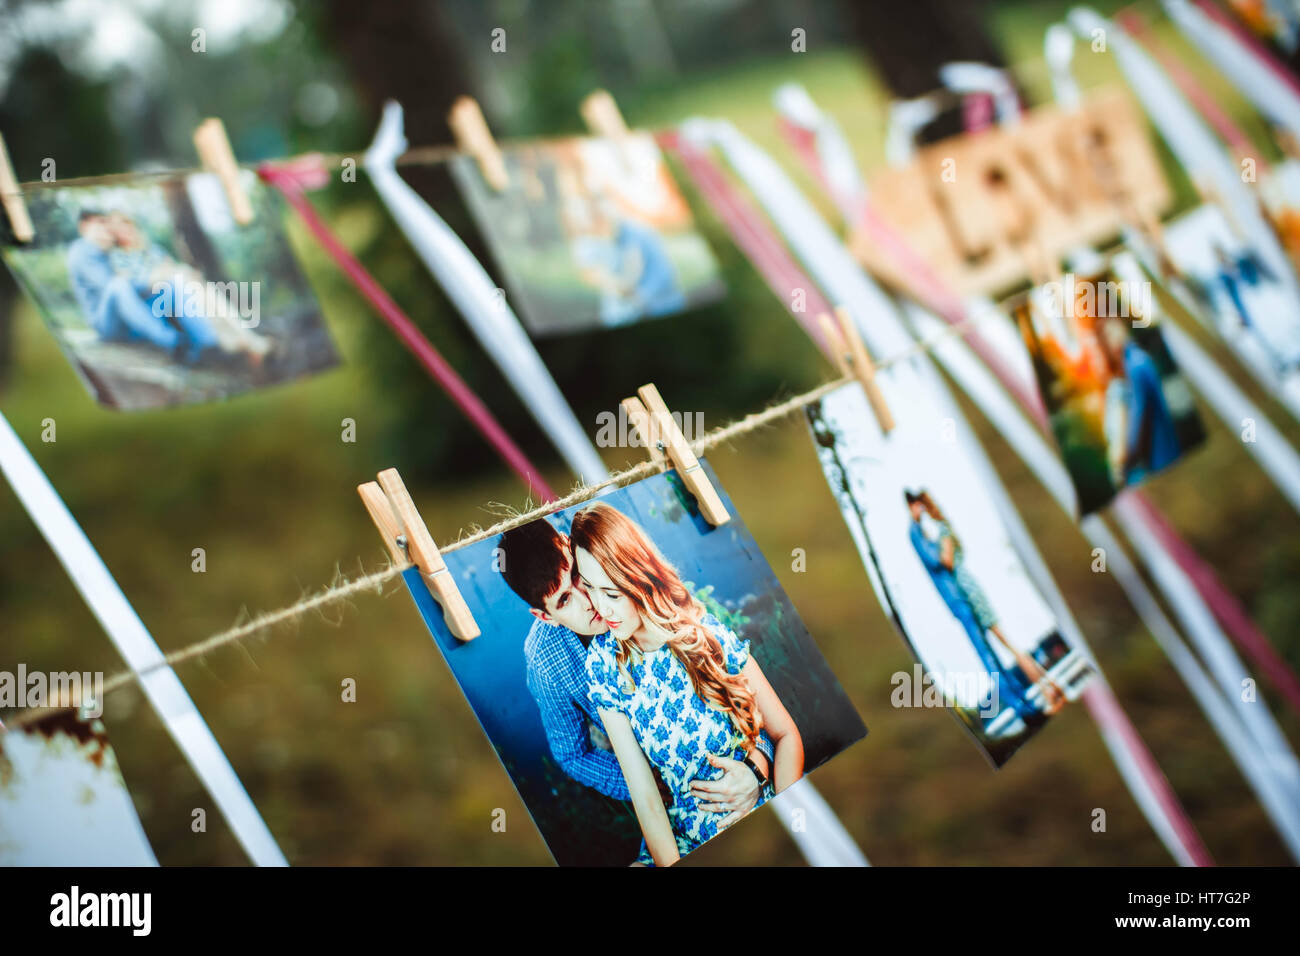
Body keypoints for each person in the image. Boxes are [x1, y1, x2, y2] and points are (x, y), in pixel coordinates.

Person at [497, 519, 772, 850]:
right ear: (545, 616)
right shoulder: (546, 660)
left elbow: (741, 698)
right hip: (656, 780)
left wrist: (758, 766)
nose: (589, 602)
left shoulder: (638, 587)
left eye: (576, 577)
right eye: (565, 600)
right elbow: (572, 753)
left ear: (573, 547)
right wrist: (644, 783)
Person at [569, 502, 803, 866]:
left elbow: (786, 735)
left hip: (754, 812)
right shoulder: (603, 664)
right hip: (683, 841)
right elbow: (644, 794)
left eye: (612, 593)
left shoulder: (703, 632)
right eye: (590, 590)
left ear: (637, 576)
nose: (602, 609)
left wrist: (792, 821)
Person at [911, 491, 1065, 714]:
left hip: (967, 588)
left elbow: (947, 561)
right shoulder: (945, 528)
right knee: (1010, 645)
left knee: (1011, 647)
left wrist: (934, 546)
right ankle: (1050, 688)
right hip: (969, 585)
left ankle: (1049, 692)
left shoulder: (943, 530)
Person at [1097, 319, 1181, 483]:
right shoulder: (1133, 361)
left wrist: (1124, 462)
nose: (1110, 340)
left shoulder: (1135, 364)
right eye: (1106, 337)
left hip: (1162, 454)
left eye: (1112, 332)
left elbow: (1138, 416)